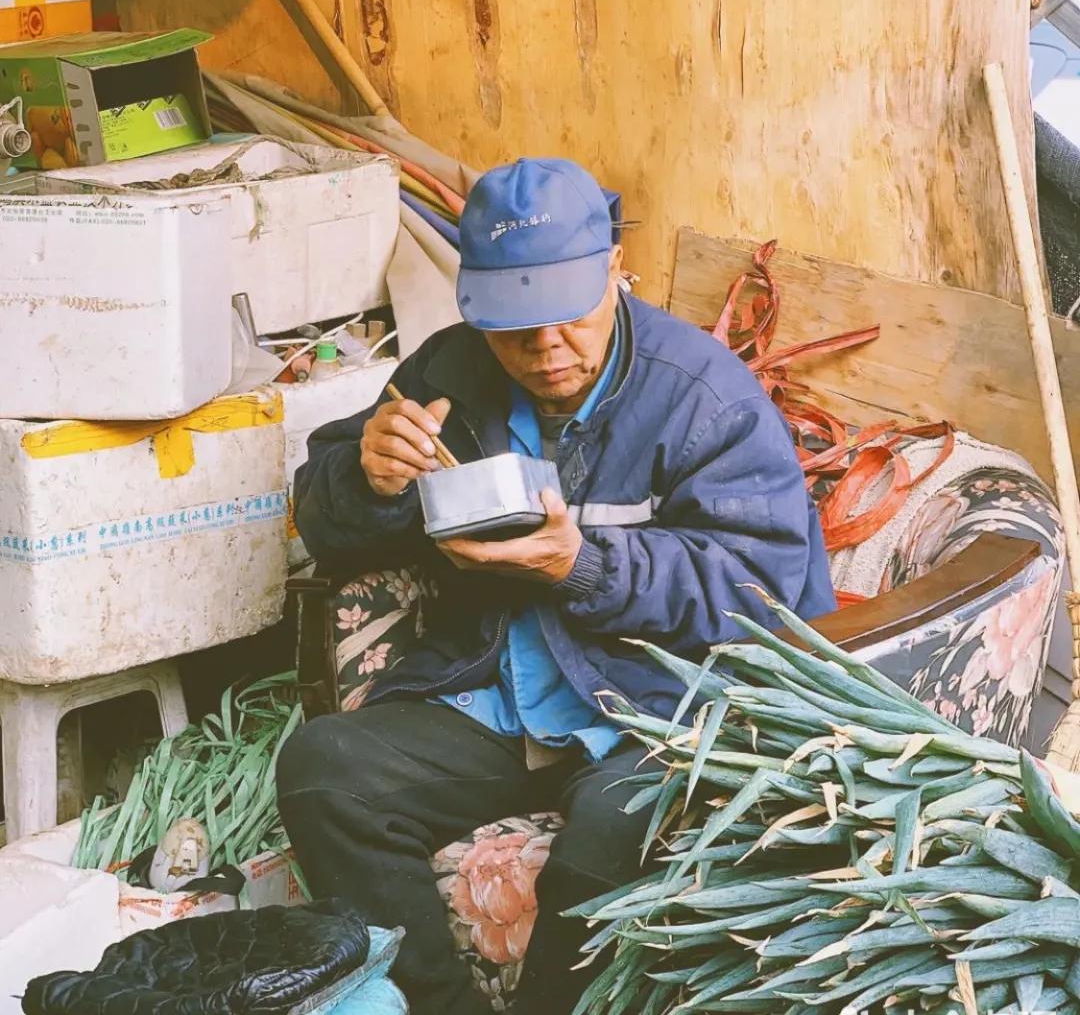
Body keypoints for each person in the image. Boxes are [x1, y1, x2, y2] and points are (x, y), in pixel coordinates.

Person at [277, 157, 835, 1015]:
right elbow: (322, 516)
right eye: (515, 328)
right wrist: (368, 475)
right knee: (326, 771)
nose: (546, 351)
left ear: (616, 270)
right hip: (497, 699)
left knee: (612, 836)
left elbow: (757, 591)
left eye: (569, 317)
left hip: (660, 710)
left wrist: (584, 567)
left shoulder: (702, 398)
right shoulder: (452, 370)